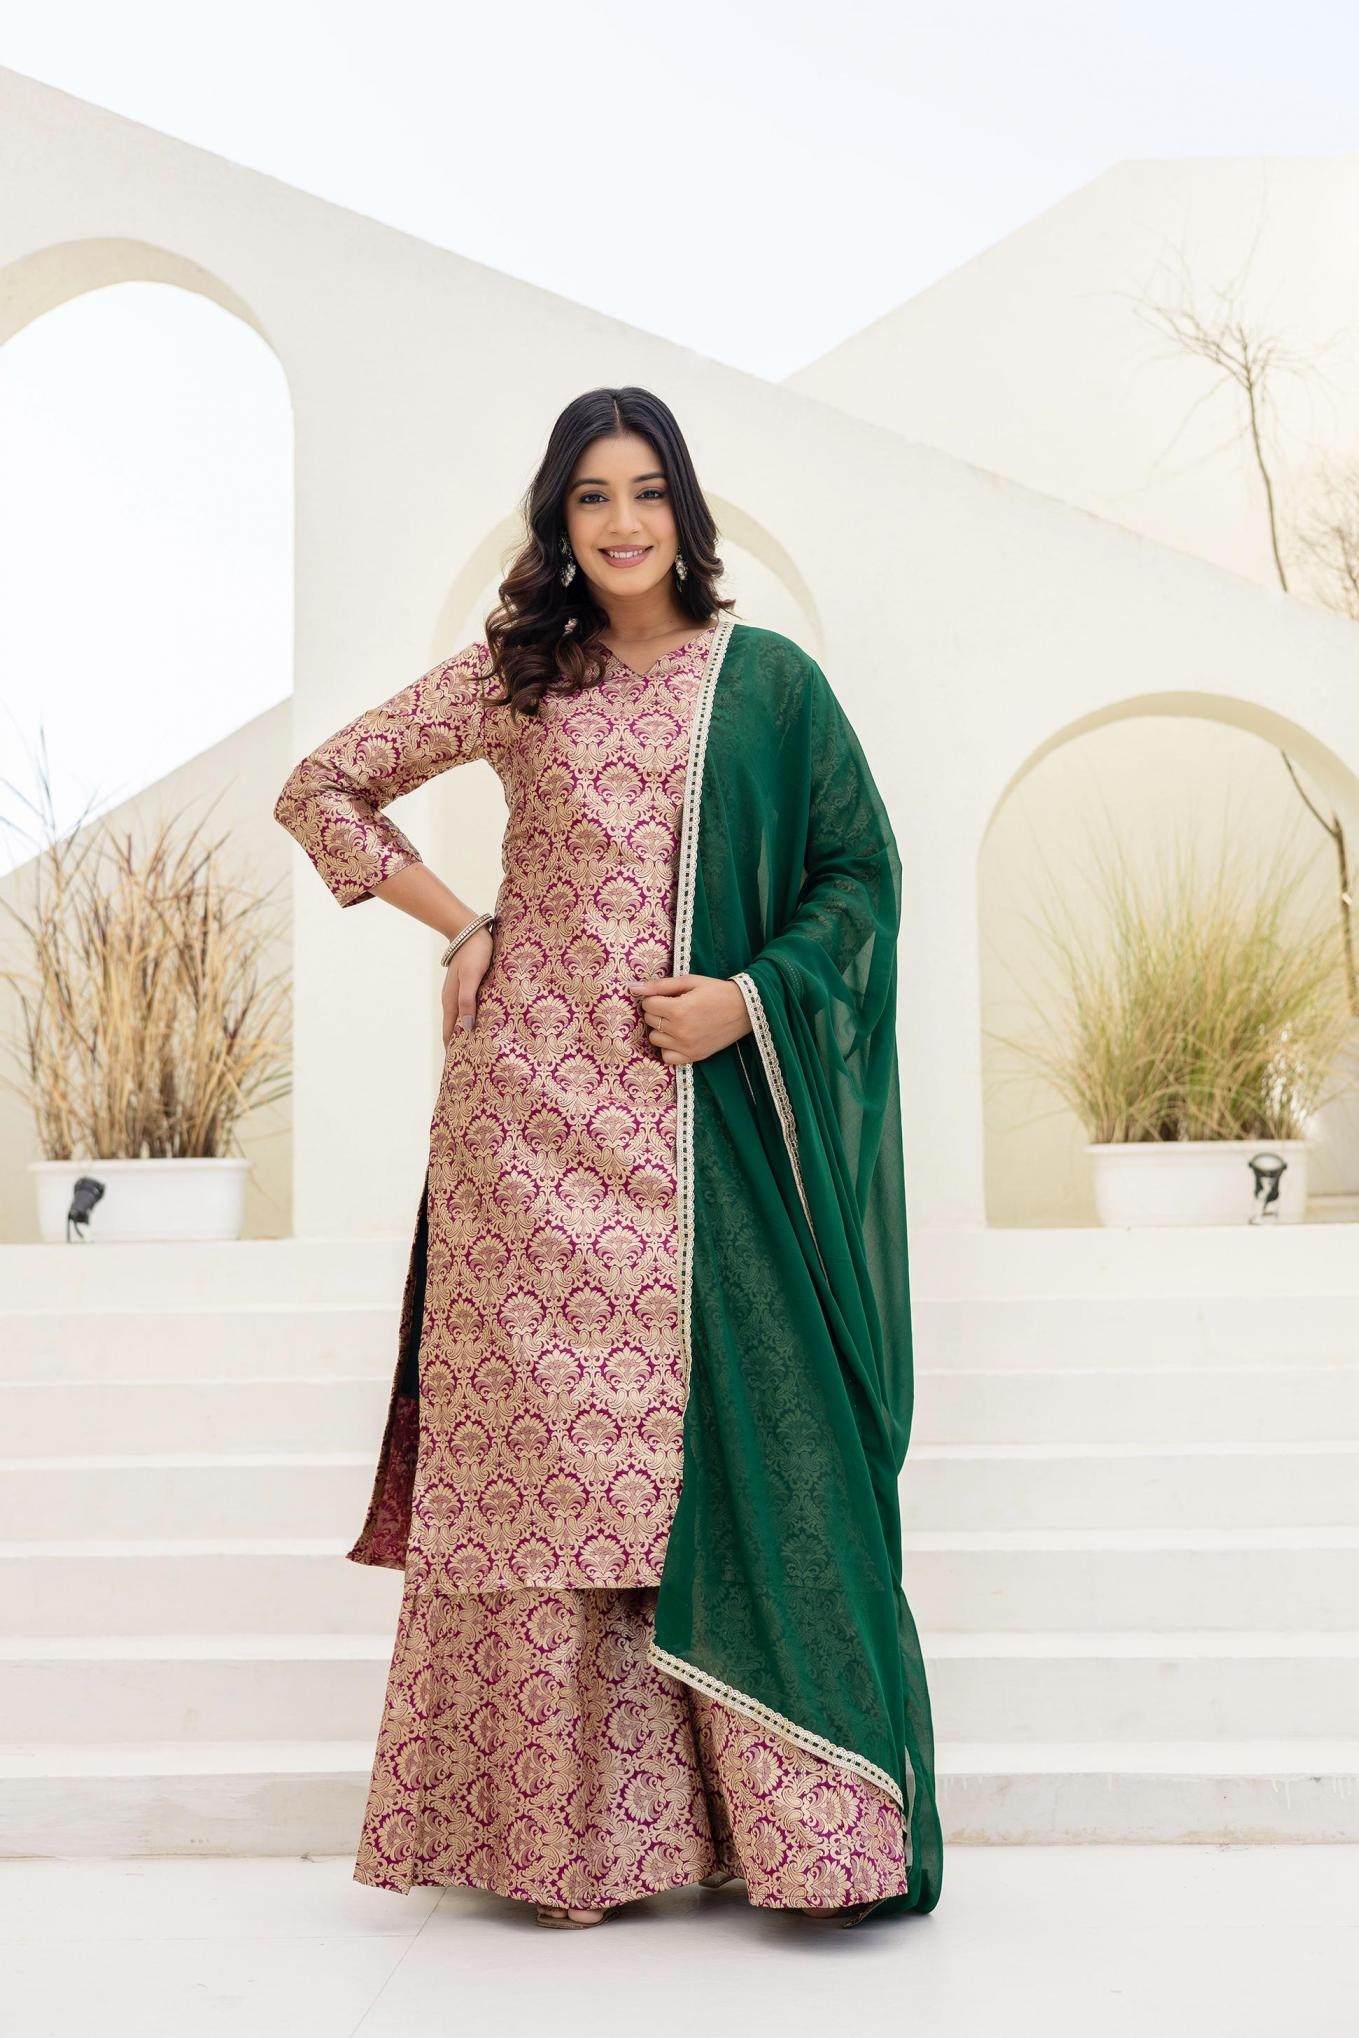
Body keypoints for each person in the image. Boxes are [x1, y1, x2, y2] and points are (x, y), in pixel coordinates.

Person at [273, 385, 943, 1929]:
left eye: (647, 492)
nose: (623, 522)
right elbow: (321, 784)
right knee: (555, 1492)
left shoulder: (765, 684)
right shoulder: (522, 675)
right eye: (592, 497)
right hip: (522, 1140)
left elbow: (861, 874)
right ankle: (564, 1850)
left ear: (685, 511)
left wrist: (748, 998)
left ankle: (797, 1840)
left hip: (701, 1136)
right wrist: (466, 923)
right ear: (559, 520)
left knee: (711, 1470)